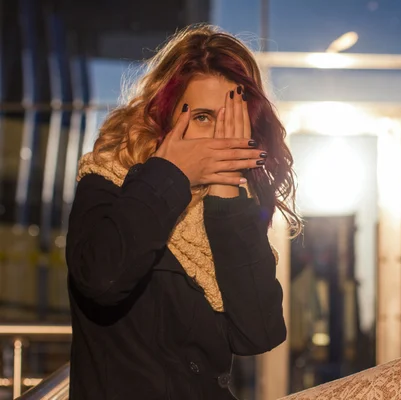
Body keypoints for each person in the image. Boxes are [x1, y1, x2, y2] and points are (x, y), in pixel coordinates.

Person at [66, 24, 300, 400]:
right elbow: (102, 278)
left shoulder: (237, 206)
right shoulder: (108, 180)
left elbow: (259, 332)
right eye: (203, 117)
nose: (216, 138)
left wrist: (225, 196)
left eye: (230, 122)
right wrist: (171, 175)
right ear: (166, 114)